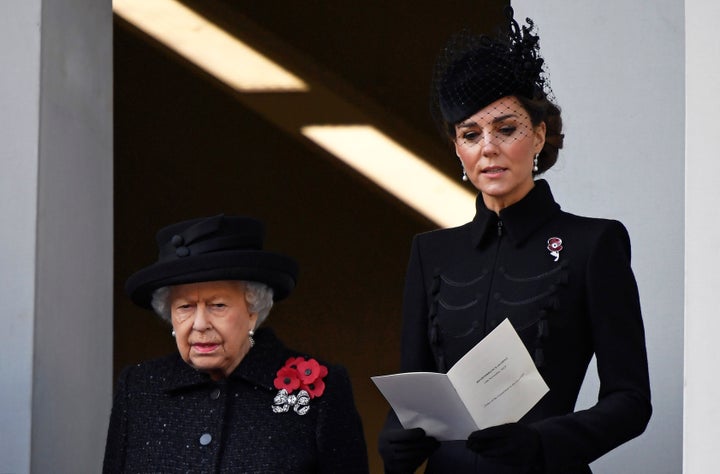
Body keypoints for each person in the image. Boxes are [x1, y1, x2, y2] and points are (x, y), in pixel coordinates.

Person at [378, 7, 651, 474]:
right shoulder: (430, 253)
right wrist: (395, 440)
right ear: (458, 151)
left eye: (506, 129)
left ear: (539, 135)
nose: (488, 147)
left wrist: (543, 442)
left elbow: (630, 401)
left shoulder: (594, 242)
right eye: (471, 134)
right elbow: (413, 394)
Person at [103, 214, 369, 473]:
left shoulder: (321, 391)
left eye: (217, 305)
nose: (199, 323)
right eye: (185, 307)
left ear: (253, 309)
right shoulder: (138, 388)